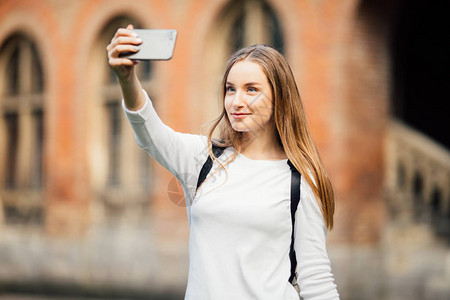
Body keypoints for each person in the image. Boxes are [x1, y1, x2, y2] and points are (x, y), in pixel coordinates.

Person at [107, 24, 339, 300]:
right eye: (231, 89)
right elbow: (149, 133)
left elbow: (316, 279)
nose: (236, 101)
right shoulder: (203, 159)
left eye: (251, 90)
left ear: (280, 98)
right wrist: (127, 78)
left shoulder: (300, 180)